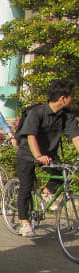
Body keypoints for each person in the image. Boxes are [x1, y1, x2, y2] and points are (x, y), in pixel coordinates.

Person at [16, 78, 79, 237]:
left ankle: (45, 193)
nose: (73, 98)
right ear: (63, 98)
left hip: (49, 154)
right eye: (71, 95)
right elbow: (31, 136)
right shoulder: (37, 112)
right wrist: (38, 156)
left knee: (62, 175)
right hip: (29, 153)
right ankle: (25, 223)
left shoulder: (67, 116)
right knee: (26, 187)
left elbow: (76, 137)